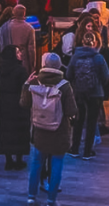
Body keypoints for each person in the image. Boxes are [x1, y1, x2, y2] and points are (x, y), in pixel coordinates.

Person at [21, 53, 77, 206]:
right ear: (59, 66)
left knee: (37, 163)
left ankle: (31, 196)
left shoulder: (35, 81)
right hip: (59, 132)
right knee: (57, 164)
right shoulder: (64, 85)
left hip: (40, 130)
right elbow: (71, 110)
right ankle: (51, 200)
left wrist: (26, 84)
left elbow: (24, 103)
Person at [66, 31, 109, 159]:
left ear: (82, 42)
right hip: (95, 93)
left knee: (79, 120)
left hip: (79, 92)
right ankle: (87, 151)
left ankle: (74, 148)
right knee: (92, 122)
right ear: (95, 43)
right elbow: (106, 76)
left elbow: (69, 75)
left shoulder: (75, 56)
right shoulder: (98, 57)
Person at [0, 45, 30, 170]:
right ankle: (19, 160)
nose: (20, 53)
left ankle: (8, 160)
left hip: (4, 104)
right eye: (17, 52)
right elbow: (24, 88)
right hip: (18, 105)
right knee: (19, 132)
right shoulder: (20, 71)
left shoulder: (0, 69)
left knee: (6, 132)